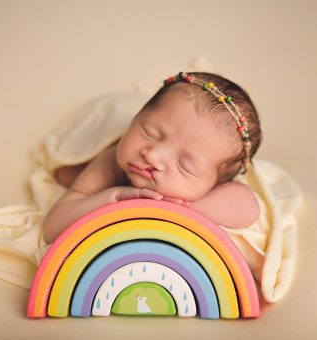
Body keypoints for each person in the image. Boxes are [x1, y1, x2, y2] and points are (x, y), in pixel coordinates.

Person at [43, 72, 262, 244]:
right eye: (149, 133)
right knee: (67, 175)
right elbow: (53, 228)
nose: (153, 155)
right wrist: (114, 198)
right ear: (136, 118)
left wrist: (183, 211)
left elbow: (249, 207)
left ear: (214, 184)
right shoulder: (111, 163)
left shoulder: (207, 189)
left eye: (184, 165)